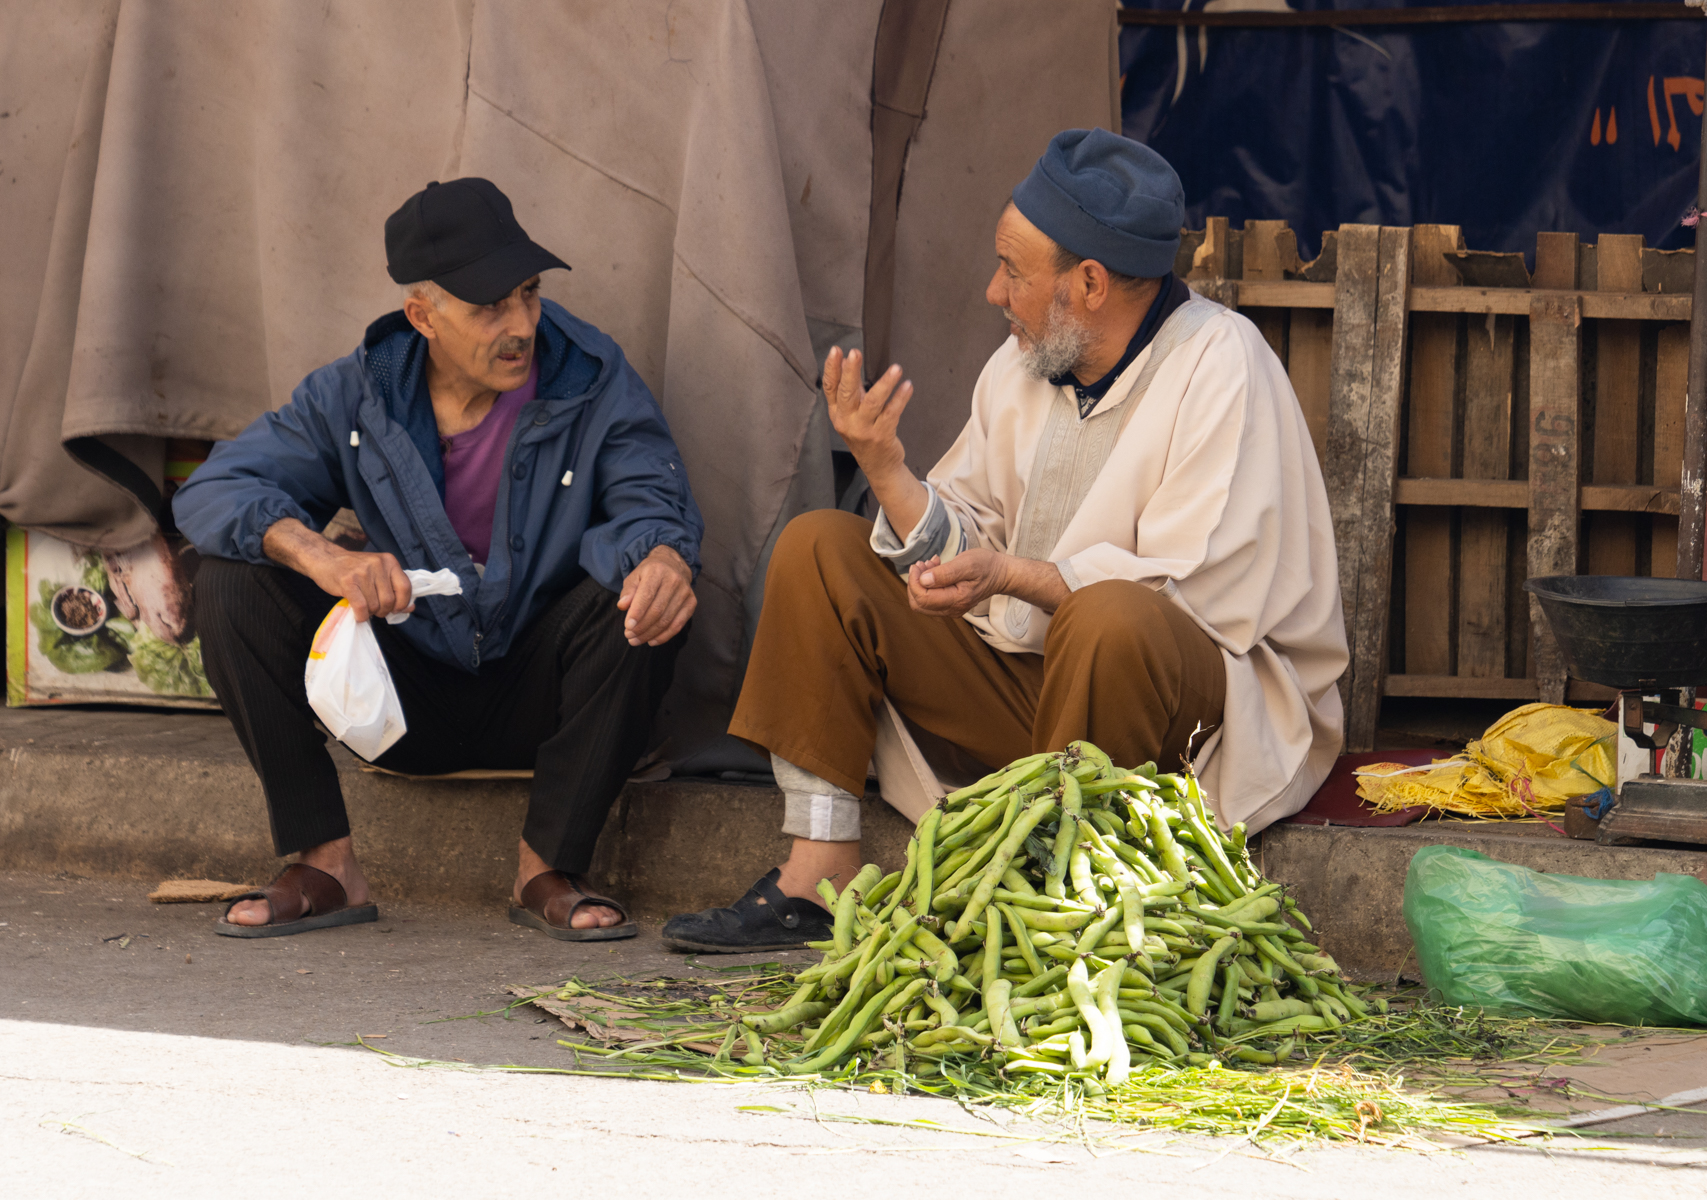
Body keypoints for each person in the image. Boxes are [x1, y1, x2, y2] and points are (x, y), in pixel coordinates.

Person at [662, 129, 1346, 952]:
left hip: (1183, 714)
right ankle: (818, 873)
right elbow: (963, 543)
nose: (993, 291)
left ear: (1089, 282)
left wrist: (1018, 575)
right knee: (820, 549)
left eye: (1013, 270)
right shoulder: (1020, 367)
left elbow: (1196, 592)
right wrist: (886, 470)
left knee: (1111, 619)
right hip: (1036, 689)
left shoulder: (1222, 361)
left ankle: (1051, 903)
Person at [175, 178, 704, 941]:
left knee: (647, 597)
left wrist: (662, 558)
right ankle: (326, 865)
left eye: (529, 292)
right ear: (422, 315)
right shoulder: (355, 395)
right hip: (402, 694)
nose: (521, 324)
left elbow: (650, 495)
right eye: (490, 306)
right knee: (230, 582)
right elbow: (217, 488)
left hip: (541, 691)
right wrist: (324, 557)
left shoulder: (588, 375)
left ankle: (547, 868)